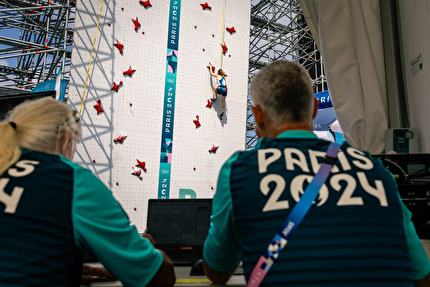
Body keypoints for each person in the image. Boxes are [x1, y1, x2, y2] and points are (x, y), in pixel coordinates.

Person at [202, 60, 430, 286]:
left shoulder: (239, 171)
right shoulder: (376, 171)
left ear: (257, 115)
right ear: (313, 108)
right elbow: (421, 275)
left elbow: (217, 271)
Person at [0, 97, 176, 287]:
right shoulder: (71, 180)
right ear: (67, 137)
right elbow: (158, 277)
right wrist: (143, 251)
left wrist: (66, 264)